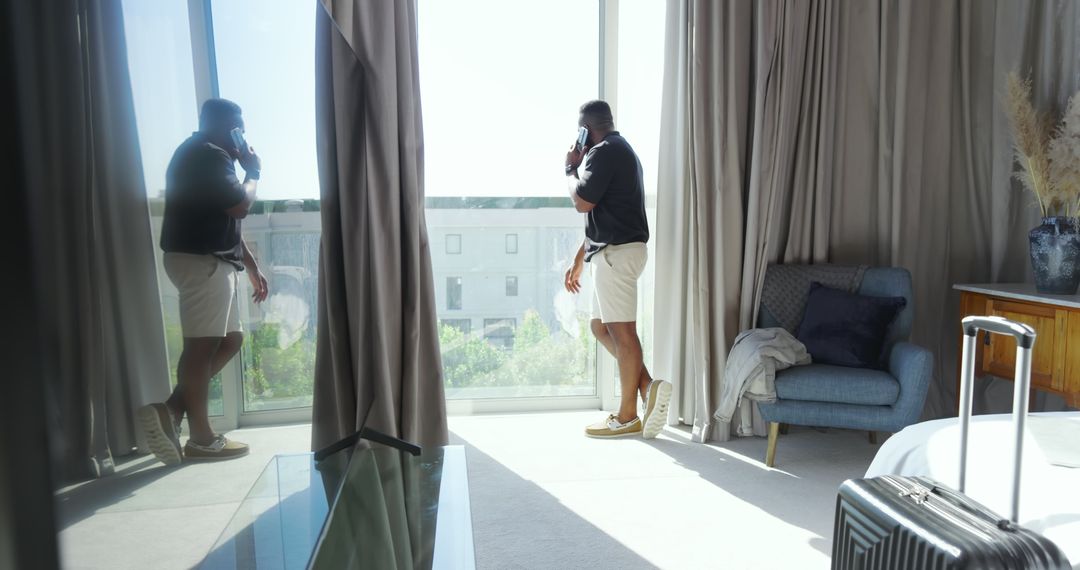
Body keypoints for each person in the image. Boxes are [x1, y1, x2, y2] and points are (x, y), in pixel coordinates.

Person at [137, 98, 268, 464]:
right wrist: (254, 171)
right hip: (203, 262)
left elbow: (226, 218)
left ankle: (173, 409)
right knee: (202, 347)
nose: (242, 138)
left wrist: (253, 267)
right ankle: (201, 438)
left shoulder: (200, 154)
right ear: (228, 128)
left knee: (232, 339)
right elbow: (241, 205)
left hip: (209, 260)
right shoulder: (208, 154)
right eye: (238, 129)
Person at [563, 100, 672, 439]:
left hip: (616, 254)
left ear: (586, 130)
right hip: (612, 251)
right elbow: (606, 214)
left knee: (623, 333)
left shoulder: (604, 152)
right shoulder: (620, 150)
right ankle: (647, 387)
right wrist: (580, 259)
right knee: (600, 327)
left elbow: (583, 200)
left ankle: (628, 416)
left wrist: (570, 168)